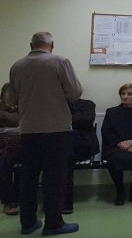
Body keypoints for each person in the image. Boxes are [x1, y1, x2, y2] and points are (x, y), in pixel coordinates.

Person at [9, 32, 81, 235]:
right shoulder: (60, 62)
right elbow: (75, 92)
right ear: (52, 45)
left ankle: (28, 223)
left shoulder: (17, 66)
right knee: (54, 178)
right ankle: (53, 224)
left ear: (31, 45)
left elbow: (12, 99)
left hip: (28, 129)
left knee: (28, 177)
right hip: (56, 130)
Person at [101, 84, 132, 206]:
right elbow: (106, 132)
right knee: (114, 159)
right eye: (123, 94)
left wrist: (131, 141)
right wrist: (120, 143)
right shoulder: (111, 112)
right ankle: (120, 191)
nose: (125, 96)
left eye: (129, 94)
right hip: (115, 145)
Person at [63, 98, 99, 214]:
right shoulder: (53, 104)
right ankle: (62, 201)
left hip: (83, 145)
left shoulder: (87, 104)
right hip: (61, 147)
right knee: (63, 154)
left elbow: (86, 121)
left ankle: (64, 201)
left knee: (68, 139)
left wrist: (64, 117)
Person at [0, 82, 21, 216]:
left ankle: (17, 198)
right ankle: (8, 201)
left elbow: (20, 121)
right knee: (4, 161)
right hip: (3, 148)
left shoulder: (23, 108)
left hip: (19, 147)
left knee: (27, 161)